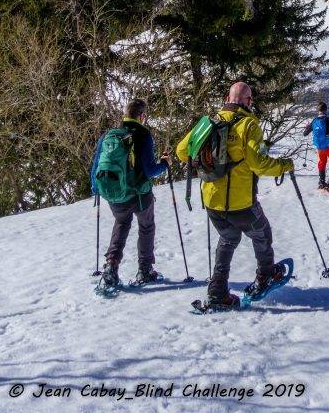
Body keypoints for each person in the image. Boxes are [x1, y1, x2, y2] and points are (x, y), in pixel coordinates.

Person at [176, 81, 294, 311]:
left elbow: (182, 151)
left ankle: (217, 292)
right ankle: (266, 275)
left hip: (212, 201)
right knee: (262, 234)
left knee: (228, 239)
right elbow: (258, 164)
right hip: (241, 202)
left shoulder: (208, 122)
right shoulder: (249, 124)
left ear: (227, 98)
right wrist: (284, 165)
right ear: (248, 101)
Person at [91, 97, 169, 288]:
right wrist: (165, 164)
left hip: (115, 195)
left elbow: (95, 167)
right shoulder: (144, 135)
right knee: (146, 226)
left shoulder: (108, 136)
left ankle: (111, 266)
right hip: (140, 195)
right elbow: (150, 171)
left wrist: (97, 190)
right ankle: (145, 269)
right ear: (142, 116)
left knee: (121, 223)